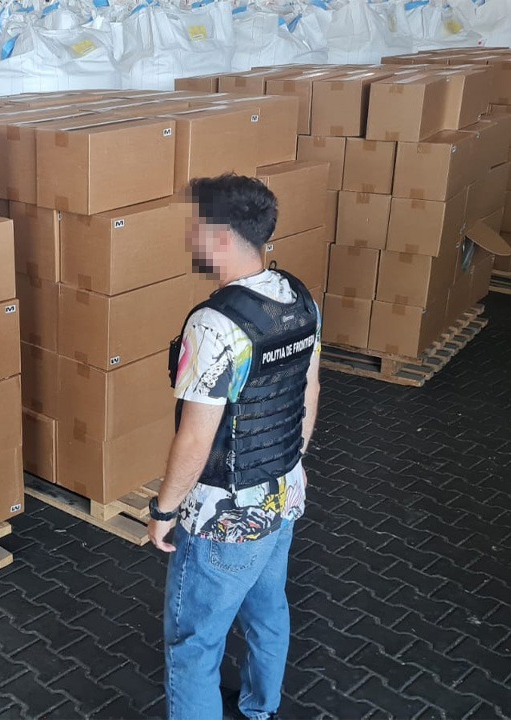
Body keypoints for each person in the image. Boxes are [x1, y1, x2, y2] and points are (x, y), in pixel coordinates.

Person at [148, 174, 322, 720]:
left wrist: (163, 510)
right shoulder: (299, 297)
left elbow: (197, 436)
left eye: (195, 228)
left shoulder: (214, 324)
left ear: (220, 236)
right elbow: (309, 389)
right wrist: (292, 461)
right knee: (268, 613)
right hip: (283, 494)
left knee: (194, 646)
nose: (190, 238)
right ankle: (260, 710)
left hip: (225, 516)